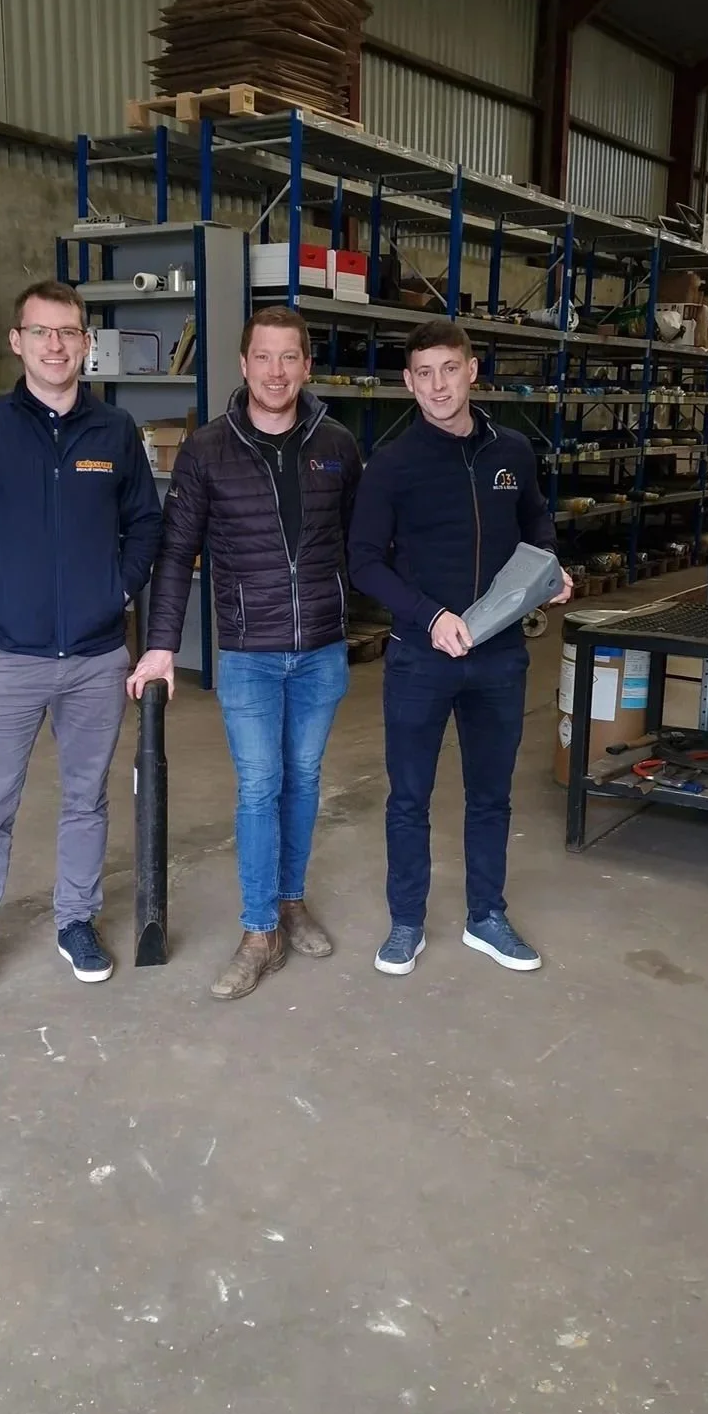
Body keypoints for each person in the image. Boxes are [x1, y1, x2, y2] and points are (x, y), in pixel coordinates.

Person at [0, 279, 162, 1011]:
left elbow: (147, 525)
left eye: (69, 332)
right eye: (42, 332)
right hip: (9, 657)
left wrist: (116, 592)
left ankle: (76, 923)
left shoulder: (115, 432)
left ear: (87, 342)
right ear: (18, 341)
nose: (57, 345)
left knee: (85, 800)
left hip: (96, 659)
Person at [128, 305, 362, 1000]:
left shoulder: (339, 445)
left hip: (320, 649)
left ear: (308, 366)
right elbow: (176, 553)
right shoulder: (207, 449)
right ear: (243, 364)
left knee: (305, 777)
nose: (276, 371)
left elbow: (365, 543)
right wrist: (162, 644)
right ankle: (260, 930)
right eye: (264, 356)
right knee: (260, 785)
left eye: (290, 357)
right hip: (250, 654)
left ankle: (291, 901)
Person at [348, 319, 571, 979]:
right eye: (424, 373)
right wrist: (429, 614)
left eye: (450, 369)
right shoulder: (392, 465)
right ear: (408, 381)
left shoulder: (513, 450)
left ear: (472, 371)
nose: (438, 385)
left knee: (491, 794)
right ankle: (407, 923)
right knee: (409, 796)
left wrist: (550, 568)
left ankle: (486, 917)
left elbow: (534, 519)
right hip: (421, 656)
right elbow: (364, 562)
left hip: (500, 658)